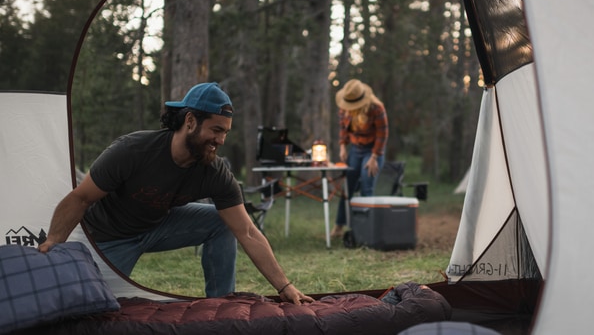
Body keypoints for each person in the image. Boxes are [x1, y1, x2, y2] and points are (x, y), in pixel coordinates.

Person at [38, 82, 314, 304]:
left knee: (221, 222)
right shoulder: (133, 151)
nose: (221, 140)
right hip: (108, 238)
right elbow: (80, 198)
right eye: (216, 130)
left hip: (158, 226)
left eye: (226, 132)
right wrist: (53, 241)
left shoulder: (214, 172)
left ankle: (221, 307)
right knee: (92, 309)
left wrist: (284, 286)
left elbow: (248, 232)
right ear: (190, 121)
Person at [331, 79, 389, 238]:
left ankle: (366, 230)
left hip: (373, 151)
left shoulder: (376, 108)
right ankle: (339, 226)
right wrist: (343, 145)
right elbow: (343, 129)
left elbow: (382, 135)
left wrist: (375, 157)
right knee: (347, 190)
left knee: (366, 188)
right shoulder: (344, 108)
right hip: (355, 150)